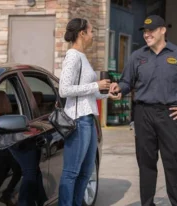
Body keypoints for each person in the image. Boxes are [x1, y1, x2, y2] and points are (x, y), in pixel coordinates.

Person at [110, 15, 177, 206]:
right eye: (145, 32)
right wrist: (118, 89)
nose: (147, 35)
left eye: (151, 31)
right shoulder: (137, 56)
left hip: (169, 114)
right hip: (142, 114)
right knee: (146, 164)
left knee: (173, 163)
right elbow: (126, 82)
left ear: (163, 30)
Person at [58, 18, 119, 206]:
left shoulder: (83, 57)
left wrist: (107, 94)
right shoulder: (73, 56)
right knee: (71, 173)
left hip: (89, 119)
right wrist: (96, 85)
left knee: (86, 172)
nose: (93, 36)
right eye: (91, 32)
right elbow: (64, 90)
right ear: (82, 33)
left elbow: (88, 94)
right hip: (77, 121)